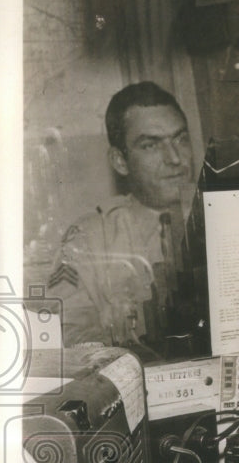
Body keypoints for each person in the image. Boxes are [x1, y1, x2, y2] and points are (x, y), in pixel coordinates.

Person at [48, 81, 199, 355]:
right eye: (151, 145)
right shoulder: (88, 238)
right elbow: (63, 331)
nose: (175, 158)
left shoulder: (225, 222)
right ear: (120, 161)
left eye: (180, 139)